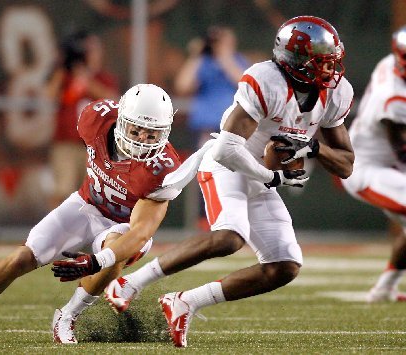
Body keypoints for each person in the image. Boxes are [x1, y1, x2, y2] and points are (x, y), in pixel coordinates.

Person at [98, 16, 354, 347]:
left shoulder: (335, 94)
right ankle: (129, 283)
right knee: (229, 239)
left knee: (285, 266)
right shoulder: (267, 81)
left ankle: (184, 302)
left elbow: (346, 165)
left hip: (262, 176)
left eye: (332, 59)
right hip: (228, 166)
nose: (330, 68)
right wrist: (273, 175)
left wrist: (313, 146)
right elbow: (225, 150)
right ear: (296, 61)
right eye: (320, 60)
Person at [0, 84, 186, 344]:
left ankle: (67, 316)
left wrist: (96, 261)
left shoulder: (164, 168)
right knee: (22, 257)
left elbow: (140, 233)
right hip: (86, 205)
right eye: (136, 130)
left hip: (124, 225)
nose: (142, 140)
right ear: (121, 118)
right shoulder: (96, 119)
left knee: (114, 255)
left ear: (166, 132)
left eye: (152, 134)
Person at [341, 25, 406, 303]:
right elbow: (402, 150)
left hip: (386, 163)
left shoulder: (389, 63)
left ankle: (383, 290)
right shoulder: (394, 96)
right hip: (367, 168)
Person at [46, 30, 119, 208]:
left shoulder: (103, 78)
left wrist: (87, 80)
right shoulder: (65, 76)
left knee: (94, 194)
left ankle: (89, 233)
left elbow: (113, 99)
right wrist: (62, 65)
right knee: (62, 190)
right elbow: (49, 95)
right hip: (66, 143)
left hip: (95, 147)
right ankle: (54, 231)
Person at [175, 26, 250, 148]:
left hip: (231, 124)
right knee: (206, 161)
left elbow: (244, 84)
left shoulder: (238, 60)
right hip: (207, 124)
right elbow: (183, 86)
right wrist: (196, 55)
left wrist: (225, 57)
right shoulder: (202, 62)